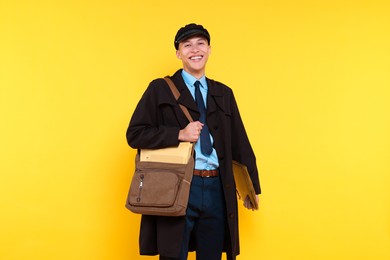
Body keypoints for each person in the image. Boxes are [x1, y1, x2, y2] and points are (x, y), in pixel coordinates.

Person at [126, 23, 261, 260]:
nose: (194, 50)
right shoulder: (160, 89)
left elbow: (240, 142)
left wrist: (251, 187)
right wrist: (178, 134)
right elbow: (135, 134)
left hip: (217, 189)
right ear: (178, 53)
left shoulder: (224, 93)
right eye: (187, 45)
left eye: (200, 43)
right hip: (177, 186)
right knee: (173, 255)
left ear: (209, 49)